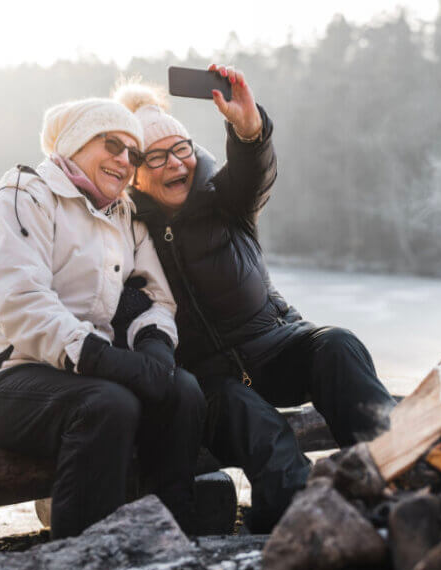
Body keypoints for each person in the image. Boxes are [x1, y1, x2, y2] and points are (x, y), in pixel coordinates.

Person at [114, 66, 397, 533]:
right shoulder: (126, 231)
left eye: (180, 150)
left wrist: (248, 128)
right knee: (256, 423)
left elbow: (254, 168)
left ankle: (397, 471)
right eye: (156, 158)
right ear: (135, 175)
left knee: (338, 345)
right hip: (210, 386)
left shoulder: (223, 199)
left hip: (275, 346)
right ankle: (303, 517)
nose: (175, 164)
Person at [0, 97, 205, 539]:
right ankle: (83, 557)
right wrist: (102, 359)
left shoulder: (123, 214)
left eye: (133, 153)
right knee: (107, 405)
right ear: (75, 144)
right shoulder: (22, 194)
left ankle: (165, 543)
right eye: (112, 144)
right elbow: (20, 302)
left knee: (181, 390)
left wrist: (154, 348)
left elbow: (155, 297)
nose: (124, 161)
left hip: (83, 374)